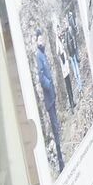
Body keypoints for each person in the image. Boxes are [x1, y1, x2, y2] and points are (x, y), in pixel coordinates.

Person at [34, 32, 65, 172]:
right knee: (54, 126)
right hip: (48, 97)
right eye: (39, 40)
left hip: (51, 94)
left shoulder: (43, 53)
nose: (42, 41)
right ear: (36, 41)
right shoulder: (38, 55)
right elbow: (41, 76)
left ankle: (61, 155)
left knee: (56, 124)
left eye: (42, 39)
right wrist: (49, 84)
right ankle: (60, 161)